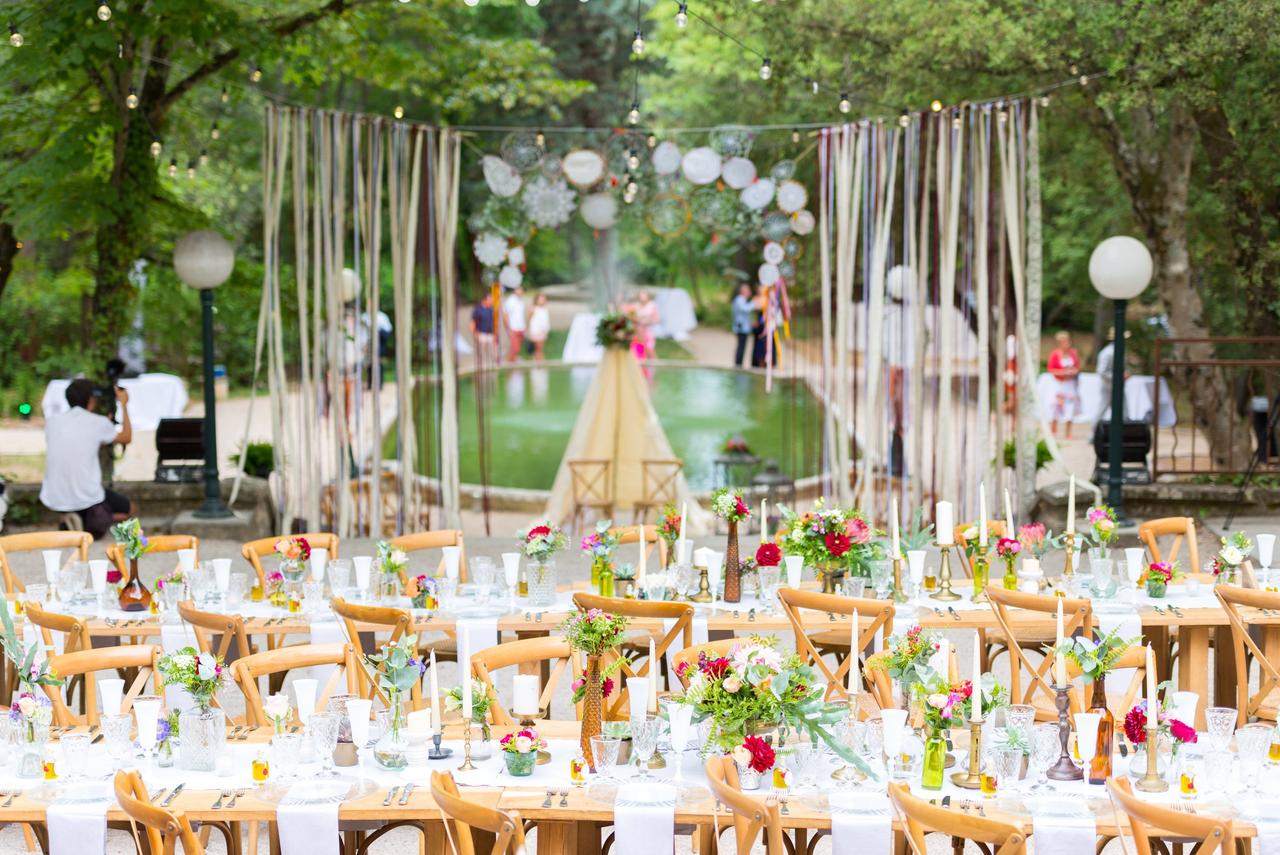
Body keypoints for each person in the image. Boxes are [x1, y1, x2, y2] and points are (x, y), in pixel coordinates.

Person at [40, 378, 135, 539]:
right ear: (91, 401)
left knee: (82, 500)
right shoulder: (98, 423)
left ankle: (72, 519)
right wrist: (123, 404)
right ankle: (89, 522)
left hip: (55, 496)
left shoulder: (52, 422)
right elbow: (126, 437)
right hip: (88, 494)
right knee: (129, 510)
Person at [1047, 330, 1081, 438]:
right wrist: (1062, 372)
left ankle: (1068, 432)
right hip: (1059, 384)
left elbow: (1078, 367)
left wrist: (1073, 372)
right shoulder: (1055, 354)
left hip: (1070, 384)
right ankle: (1053, 429)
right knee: (1055, 406)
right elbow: (1051, 369)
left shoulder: (1073, 353)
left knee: (1070, 406)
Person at [470, 290, 498, 367]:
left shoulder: (491, 309)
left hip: (491, 333)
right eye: (490, 300)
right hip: (481, 333)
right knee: (482, 351)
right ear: (485, 300)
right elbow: (473, 322)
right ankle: (482, 365)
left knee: (494, 350)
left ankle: (495, 363)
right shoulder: (478, 310)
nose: (491, 301)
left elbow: (494, 322)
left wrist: (495, 333)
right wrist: (474, 333)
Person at [630, 290, 660, 361]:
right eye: (641, 295)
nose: (642, 297)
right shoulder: (636, 306)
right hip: (638, 331)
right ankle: (641, 363)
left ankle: (654, 363)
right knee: (639, 347)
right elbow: (632, 316)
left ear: (648, 297)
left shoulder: (652, 306)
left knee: (649, 348)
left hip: (649, 331)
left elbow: (657, 319)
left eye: (644, 295)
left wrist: (648, 322)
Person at [731, 283, 755, 367]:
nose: (749, 292)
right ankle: (738, 364)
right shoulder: (739, 300)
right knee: (741, 346)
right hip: (741, 328)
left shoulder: (742, 300)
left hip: (743, 327)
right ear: (743, 291)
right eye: (748, 290)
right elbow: (745, 309)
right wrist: (754, 303)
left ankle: (739, 363)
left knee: (742, 346)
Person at [501, 285, 527, 363]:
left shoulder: (521, 301)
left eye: (521, 290)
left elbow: (520, 315)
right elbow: (505, 316)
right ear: (515, 290)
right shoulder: (510, 301)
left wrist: (524, 326)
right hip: (513, 328)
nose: (521, 291)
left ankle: (514, 362)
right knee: (515, 348)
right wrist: (508, 329)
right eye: (519, 289)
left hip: (521, 327)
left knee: (518, 348)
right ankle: (510, 363)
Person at [527, 292, 551, 362]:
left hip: (543, 332)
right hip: (536, 332)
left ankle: (539, 362)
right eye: (540, 299)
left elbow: (545, 321)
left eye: (543, 299)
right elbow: (530, 320)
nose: (542, 301)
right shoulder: (533, 309)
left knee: (540, 348)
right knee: (538, 349)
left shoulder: (545, 310)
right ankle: (539, 362)